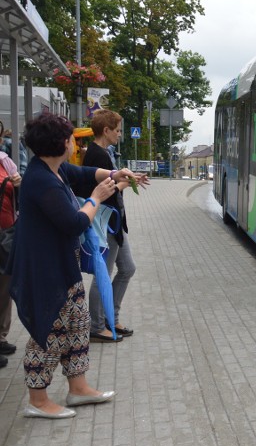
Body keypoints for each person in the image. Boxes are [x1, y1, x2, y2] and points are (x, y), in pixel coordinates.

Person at [9, 113, 148, 419]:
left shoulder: (55, 170)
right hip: (45, 270)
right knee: (49, 332)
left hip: (63, 265)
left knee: (78, 324)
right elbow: (73, 223)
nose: (75, 142)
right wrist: (96, 199)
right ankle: (38, 399)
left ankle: (78, 387)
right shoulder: (41, 180)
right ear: (59, 142)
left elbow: (85, 174)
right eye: (70, 137)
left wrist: (117, 174)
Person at [74, 110, 136, 342]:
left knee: (128, 268)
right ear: (106, 130)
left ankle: (112, 317)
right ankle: (97, 326)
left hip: (114, 224)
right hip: (106, 224)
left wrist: (127, 180)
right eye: (118, 130)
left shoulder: (101, 153)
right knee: (103, 274)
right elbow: (105, 193)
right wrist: (124, 185)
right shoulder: (98, 155)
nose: (120, 134)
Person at [0, 147, 22, 368]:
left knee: (5, 287)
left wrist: (17, 184)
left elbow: (18, 196)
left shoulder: (5, 161)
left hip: (5, 233)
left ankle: (1, 337)